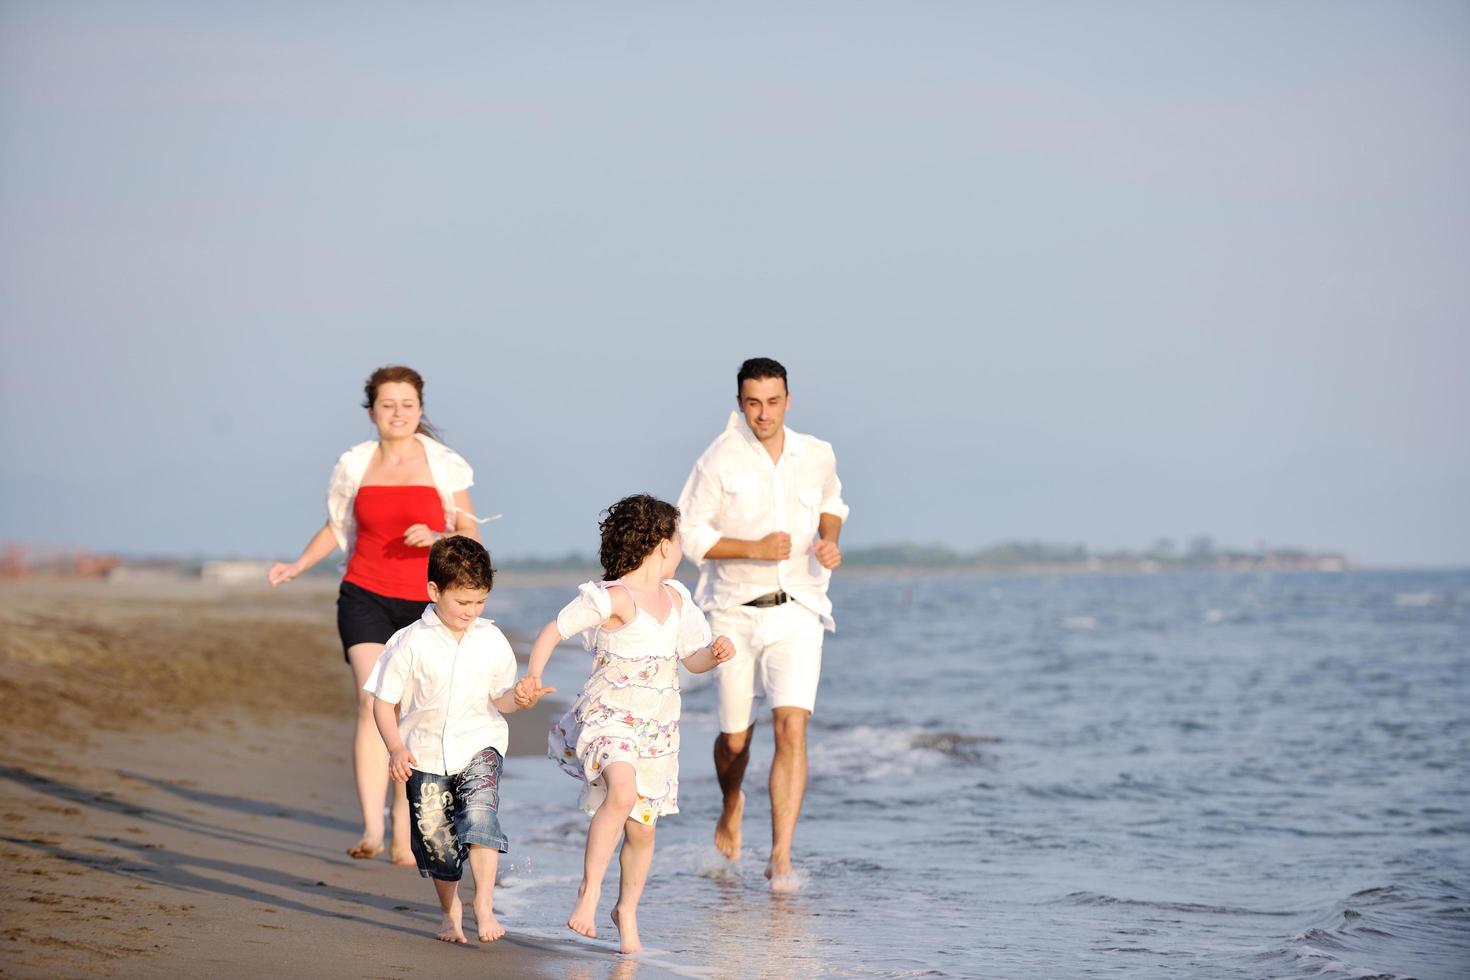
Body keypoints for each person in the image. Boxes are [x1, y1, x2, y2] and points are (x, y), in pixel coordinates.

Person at [267, 365, 487, 863]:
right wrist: (299, 564)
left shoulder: (444, 465)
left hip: (424, 603)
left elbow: (472, 536)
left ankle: (403, 823)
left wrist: (438, 538)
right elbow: (336, 524)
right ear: (371, 411)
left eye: (407, 404)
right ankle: (371, 827)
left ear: (420, 408)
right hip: (364, 594)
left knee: (410, 715)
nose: (398, 413)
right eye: (387, 405)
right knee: (372, 702)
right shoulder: (355, 464)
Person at [517, 494, 734, 953]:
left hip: (657, 730)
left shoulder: (677, 599)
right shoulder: (613, 596)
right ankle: (589, 891)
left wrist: (712, 655)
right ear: (660, 544)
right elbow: (556, 628)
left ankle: (626, 909)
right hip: (609, 717)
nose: (680, 550)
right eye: (678, 541)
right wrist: (534, 675)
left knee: (643, 828)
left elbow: (691, 661)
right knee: (621, 791)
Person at [676, 356, 848, 892]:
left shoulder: (816, 453)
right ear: (740, 403)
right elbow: (690, 535)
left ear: (788, 400)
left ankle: (781, 858)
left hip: (800, 608)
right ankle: (732, 801)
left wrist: (829, 540)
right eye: (753, 403)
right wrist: (752, 547)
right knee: (734, 740)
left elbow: (833, 500)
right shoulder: (719, 459)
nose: (763, 413)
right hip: (732, 613)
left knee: (791, 726)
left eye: (773, 402)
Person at [366, 534, 550, 944]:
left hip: (480, 744)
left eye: (480, 602)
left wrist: (521, 699)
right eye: (463, 602)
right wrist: (396, 747)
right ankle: (451, 914)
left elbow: (502, 699)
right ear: (435, 590)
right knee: (436, 842)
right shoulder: (409, 641)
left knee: (480, 815)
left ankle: (484, 904)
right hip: (424, 753)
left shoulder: (491, 639)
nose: (472, 611)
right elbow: (382, 703)